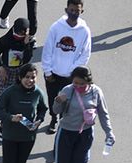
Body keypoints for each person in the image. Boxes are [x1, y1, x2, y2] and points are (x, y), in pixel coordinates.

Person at [50, 66, 114, 163]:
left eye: (82, 84)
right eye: (75, 83)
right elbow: (56, 110)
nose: (78, 86)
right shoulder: (67, 90)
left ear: (89, 82)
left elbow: (103, 113)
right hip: (66, 132)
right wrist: (58, 101)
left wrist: (109, 132)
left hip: (85, 132)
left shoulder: (96, 92)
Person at [41, 0, 91, 134]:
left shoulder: (84, 31)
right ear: (66, 10)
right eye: (71, 10)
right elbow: (47, 50)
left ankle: (63, 122)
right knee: (53, 99)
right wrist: (47, 71)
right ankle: (53, 119)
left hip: (70, 76)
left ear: (82, 11)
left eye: (77, 11)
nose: (74, 13)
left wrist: (73, 71)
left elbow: (85, 54)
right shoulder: (56, 27)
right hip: (53, 74)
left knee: (68, 101)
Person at [0, 18, 35, 139]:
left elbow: (27, 59)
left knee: (14, 102)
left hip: (20, 73)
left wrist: (26, 45)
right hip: (6, 73)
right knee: (3, 101)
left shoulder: (28, 41)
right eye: (19, 32)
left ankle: (4, 127)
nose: (21, 35)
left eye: (24, 33)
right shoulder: (5, 41)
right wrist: (0, 67)